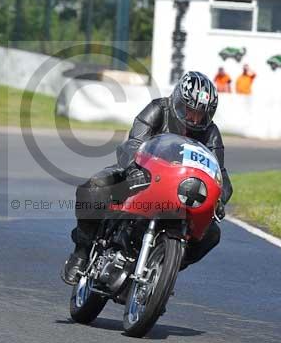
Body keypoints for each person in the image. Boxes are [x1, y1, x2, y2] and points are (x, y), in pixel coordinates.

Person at [61, 71, 233, 285]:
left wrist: (220, 198)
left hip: (181, 189)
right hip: (141, 172)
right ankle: (81, 252)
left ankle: (163, 268)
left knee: (212, 234)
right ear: (179, 101)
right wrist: (134, 167)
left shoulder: (211, 132)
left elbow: (219, 172)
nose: (194, 118)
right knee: (94, 188)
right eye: (190, 110)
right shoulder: (159, 109)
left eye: (201, 114)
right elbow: (133, 142)